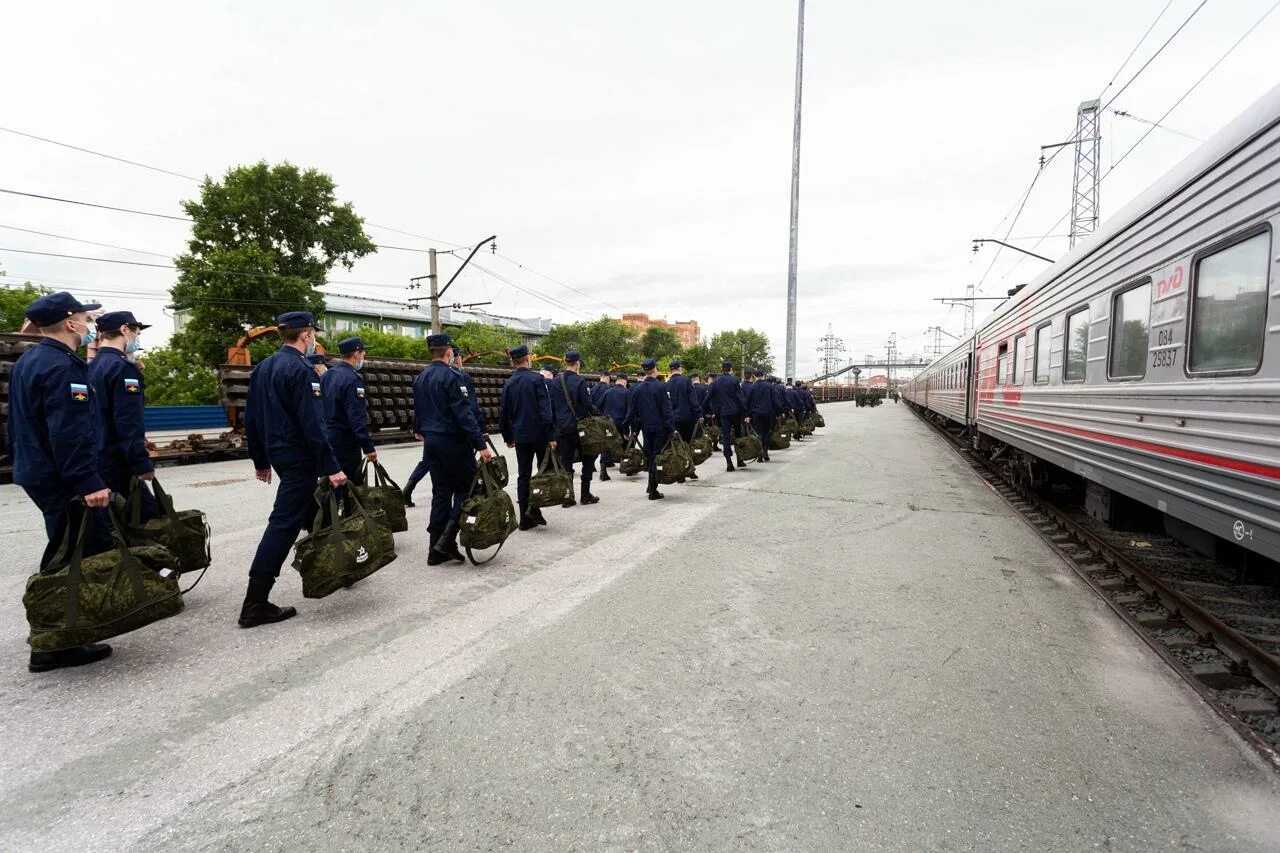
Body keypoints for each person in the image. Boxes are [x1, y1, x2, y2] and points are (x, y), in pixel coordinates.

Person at [9, 291, 114, 672]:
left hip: (37, 469)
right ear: (70, 323)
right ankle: (53, 642)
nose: (88, 326)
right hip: (60, 476)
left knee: (67, 547)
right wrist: (88, 480)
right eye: (84, 320)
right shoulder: (62, 367)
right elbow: (68, 431)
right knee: (68, 553)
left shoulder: (30, 361)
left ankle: (61, 634)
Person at [242, 312, 346, 629]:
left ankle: (345, 563)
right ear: (305, 336)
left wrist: (260, 459)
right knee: (284, 522)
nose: (314, 338)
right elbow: (314, 426)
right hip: (300, 457)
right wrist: (332, 467)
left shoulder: (263, 368)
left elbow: (252, 418)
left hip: (279, 453)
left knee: (312, 512)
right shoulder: (302, 370)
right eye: (313, 333)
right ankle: (255, 602)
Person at [413, 333, 493, 564]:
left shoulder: (421, 377)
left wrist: (419, 429)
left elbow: (418, 409)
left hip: (431, 443)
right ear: (448, 352)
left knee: (441, 492)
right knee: (468, 490)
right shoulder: (452, 376)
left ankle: (434, 550)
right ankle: (446, 540)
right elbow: (464, 413)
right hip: (453, 442)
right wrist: (481, 444)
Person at [88, 310, 158, 518]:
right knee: (151, 522)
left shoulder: (91, 367)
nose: (137, 338)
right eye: (136, 332)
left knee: (115, 522)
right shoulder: (124, 370)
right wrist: (142, 463)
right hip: (118, 462)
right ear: (124, 329)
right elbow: (128, 421)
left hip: (97, 459)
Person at [499, 345, 557, 530]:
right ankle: (535, 508)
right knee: (542, 472)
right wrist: (551, 435)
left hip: (520, 436)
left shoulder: (509, 383)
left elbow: (504, 413)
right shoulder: (537, 380)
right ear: (527, 359)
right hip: (539, 434)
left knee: (523, 474)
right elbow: (545, 410)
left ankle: (524, 517)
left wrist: (508, 436)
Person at [320, 337, 376, 486]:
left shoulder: (326, 376)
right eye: (363, 353)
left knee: (329, 487)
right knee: (350, 489)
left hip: (326, 438)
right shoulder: (352, 379)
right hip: (345, 442)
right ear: (357, 354)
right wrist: (368, 447)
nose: (363, 356)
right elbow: (356, 416)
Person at [550, 349, 602, 506]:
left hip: (562, 428)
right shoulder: (579, 381)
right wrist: (598, 413)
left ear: (566, 363)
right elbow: (586, 405)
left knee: (566, 462)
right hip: (580, 428)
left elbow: (552, 407)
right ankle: (585, 495)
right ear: (578, 363)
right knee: (588, 458)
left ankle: (568, 497)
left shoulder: (554, 382)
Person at [625, 357, 674, 500]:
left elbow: (632, 411)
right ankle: (653, 490)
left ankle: (650, 485)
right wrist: (671, 428)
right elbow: (666, 410)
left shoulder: (637, 389)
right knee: (656, 457)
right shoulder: (661, 387)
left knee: (650, 456)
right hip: (660, 429)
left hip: (646, 429)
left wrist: (627, 428)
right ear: (654, 369)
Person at [706, 360, 749, 471]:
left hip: (723, 413)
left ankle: (729, 463)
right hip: (736, 412)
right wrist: (746, 413)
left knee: (726, 437)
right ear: (731, 369)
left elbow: (708, 398)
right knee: (738, 436)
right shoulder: (735, 380)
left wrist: (707, 412)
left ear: (722, 369)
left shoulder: (716, 382)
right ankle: (740, 459)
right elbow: (740, 398)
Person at [665, 360, 701, 480]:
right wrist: (698, 414)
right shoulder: (686, 381)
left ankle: (680, 473)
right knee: (688, 444)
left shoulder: (667, 383)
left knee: (678, 446)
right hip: (687, 418)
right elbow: (693, 399)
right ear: (679, 368)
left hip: (674, 419)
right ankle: (690, 470)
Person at [598, 374, 629, 481]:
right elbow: (629, 412)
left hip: (608, 423)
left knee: (606, 445)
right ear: (624, 382)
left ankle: (603, 470)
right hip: (621, 423)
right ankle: (628, 467)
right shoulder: (627, 393)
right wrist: (628, 429)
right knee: (626, 445)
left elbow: (598, 406)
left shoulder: (608, 391)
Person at [746, 368, 774, 462]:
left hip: (756, 413)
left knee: (757, 433)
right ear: (763, 375)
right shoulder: (769, 386)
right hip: (767, 413)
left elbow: (749, 402)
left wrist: (747, 415)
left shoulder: (752, 387)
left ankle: (759, 454)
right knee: (766, 433)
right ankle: (765, 451)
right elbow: (774, 400)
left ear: (754, 376)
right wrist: (778, 412)